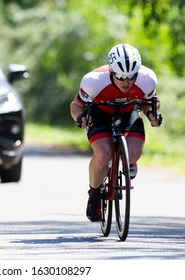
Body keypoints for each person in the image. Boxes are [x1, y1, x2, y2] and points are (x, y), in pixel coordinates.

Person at [70, 43, 162, 222]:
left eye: (131, 77)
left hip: (129, 111)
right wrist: (80, 117)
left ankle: (129, 162)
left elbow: (150, 102)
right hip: (100, 113)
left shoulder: (147, 79)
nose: (126, 82)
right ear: (111, 72)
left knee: (133, 153)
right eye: (121, 77)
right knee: (103, 155)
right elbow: (76, 106)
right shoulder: (93, 81)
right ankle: (95, 195)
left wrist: (152, 114)